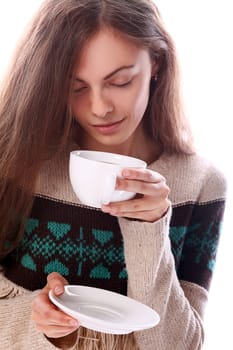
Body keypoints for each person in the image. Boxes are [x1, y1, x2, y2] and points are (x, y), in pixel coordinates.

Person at [0, 0, 227, 349]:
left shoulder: (201, 184)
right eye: (76, 87)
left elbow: (178, 345)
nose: (100, 107)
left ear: (156, 63)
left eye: (120, 81)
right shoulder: (19, 162)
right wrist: (41, 325)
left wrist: (150, 231)